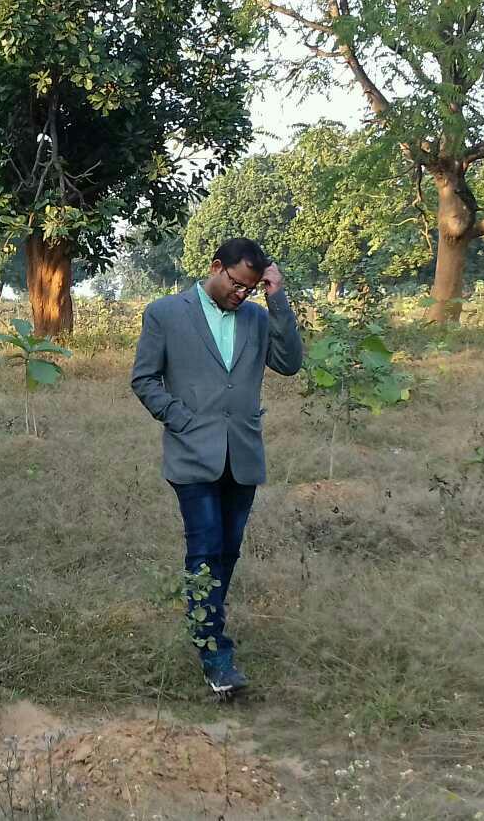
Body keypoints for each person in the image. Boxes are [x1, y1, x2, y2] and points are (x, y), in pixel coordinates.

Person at [130, 237, 304, 696]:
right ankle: (215, 654)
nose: (241, 294)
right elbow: (144, 378)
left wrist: (277, 298)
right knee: (205, 546)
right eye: (236, 284)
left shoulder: (257, 318)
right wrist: (182, 419)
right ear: (215, 267)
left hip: (242, 453)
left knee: (228, 549)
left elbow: (290, 363)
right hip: (192, 453)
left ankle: (204, 620)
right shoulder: (166, 313)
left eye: (250, 287)